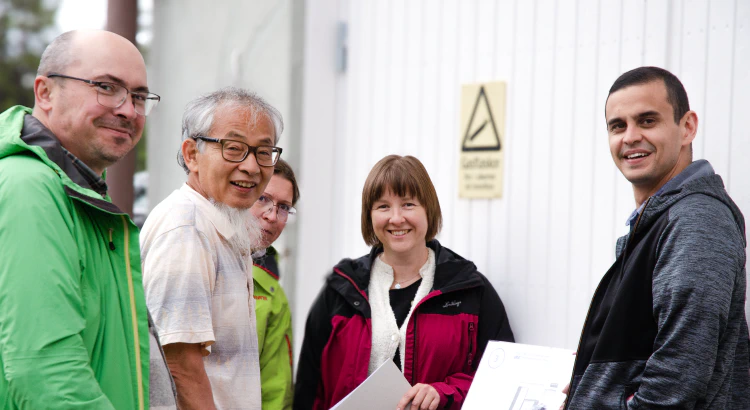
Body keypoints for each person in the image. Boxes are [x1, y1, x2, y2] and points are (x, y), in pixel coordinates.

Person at [0, 29, 175, 409]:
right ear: (45, 92)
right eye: (106, 87)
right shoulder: (31, 188)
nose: (128, 110)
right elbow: (45, 370)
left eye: (139, 96)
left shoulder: (80, 195)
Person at [563, 66, 750, 409]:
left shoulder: (696, 220)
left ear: (687, 127)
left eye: (647, 121)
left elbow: (680, 375)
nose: (630, 136)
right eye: (618, 126)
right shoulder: (657, 221)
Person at [295, 155, 514, 410]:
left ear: (428, 210)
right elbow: (310, 386)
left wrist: (442, 393)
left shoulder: (470, 289)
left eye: (408, 204)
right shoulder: (341, 289)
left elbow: (503, 377)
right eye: (383, 206)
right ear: (369, 215)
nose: (396, 218)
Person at [141, 87, 284, 410]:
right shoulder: (187, 228)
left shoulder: (222, 224)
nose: (252, 167)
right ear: (192, 155)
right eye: (234, 149)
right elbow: (181, 366)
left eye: (264, 152)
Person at [250, 158, 300, 410]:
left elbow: (274, 386)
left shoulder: (271, 286)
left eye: (283, 207)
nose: (272, 215)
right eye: (263, 199)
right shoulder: (207, 260)